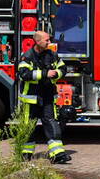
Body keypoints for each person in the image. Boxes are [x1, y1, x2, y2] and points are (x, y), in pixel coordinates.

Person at [16, 31, 70, 163]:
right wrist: (45, 74)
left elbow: (63, 68)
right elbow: (24, 74)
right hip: (31, 99)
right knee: (28, 126)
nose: (49, 43)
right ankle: (25, 154)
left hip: (47, 97)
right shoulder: (27, 56)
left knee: (51, 124)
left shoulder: (52, 55)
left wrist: (56, 73)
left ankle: (57, 154)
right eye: (47, 40)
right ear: (38, 41)